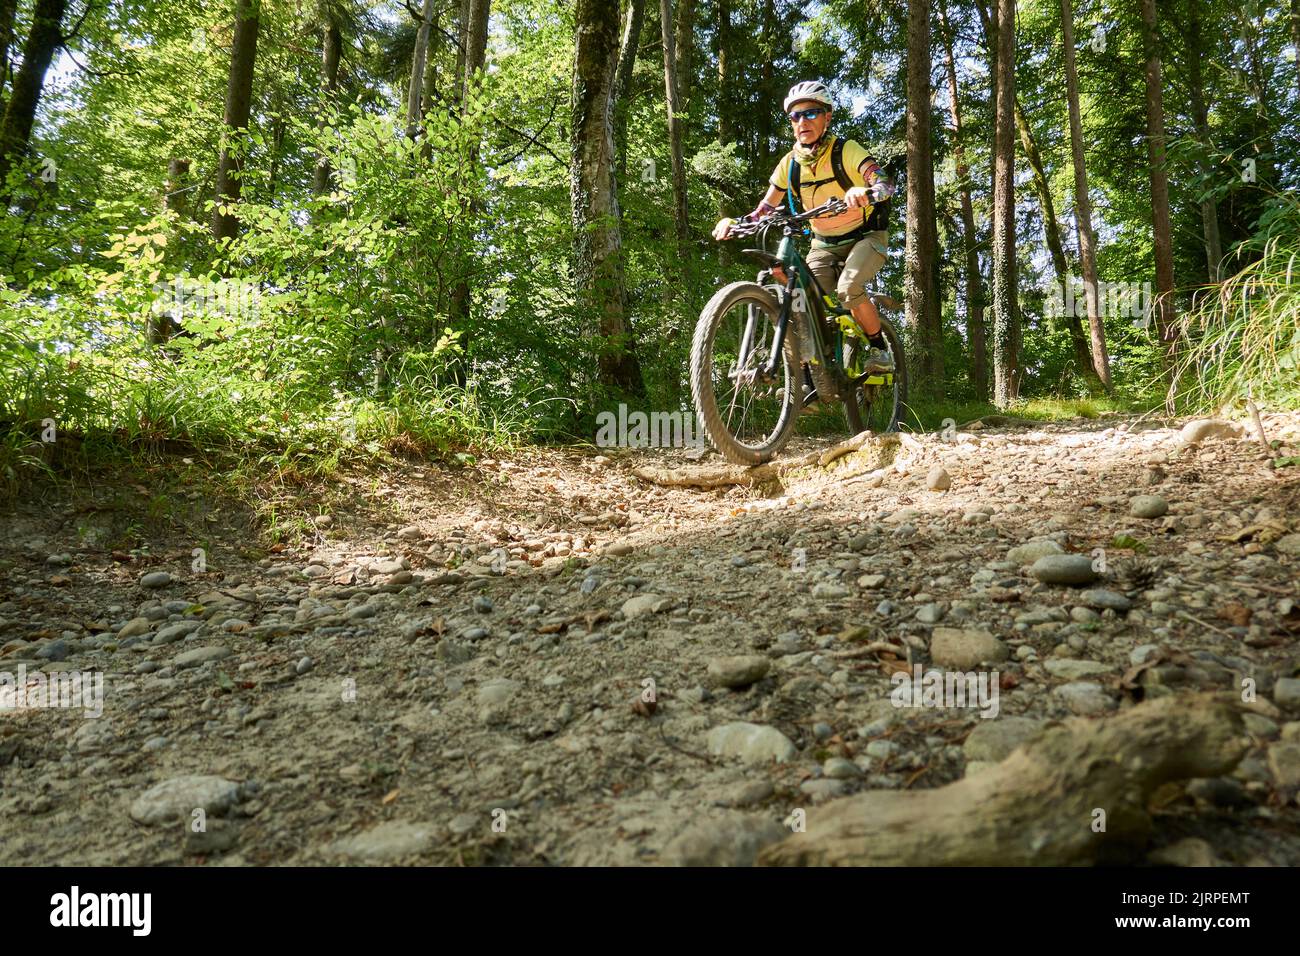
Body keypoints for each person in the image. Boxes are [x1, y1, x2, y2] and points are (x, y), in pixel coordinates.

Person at [712, 80, 896, 376]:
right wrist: (736, 222)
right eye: (795, 116)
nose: (802, 121)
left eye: (810, 113)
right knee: (801, 302)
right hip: (823, 245)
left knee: (848, 289)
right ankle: (809, 381)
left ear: (827, 117)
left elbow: (884, 182)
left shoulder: (845, 151)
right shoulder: (790, 164)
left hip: (865, 237)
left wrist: (866, 192)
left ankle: (879, 348)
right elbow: (766, 209)